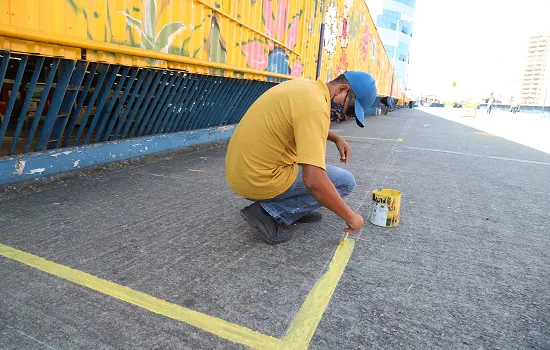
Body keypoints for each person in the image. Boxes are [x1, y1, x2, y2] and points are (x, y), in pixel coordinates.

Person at [225, 71, 377, 244]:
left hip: (240, 173)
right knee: (345, 182)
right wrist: (351, 217)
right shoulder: (317, 107)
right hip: (258, 179)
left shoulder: (307, 89)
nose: (347, 117)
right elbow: (313, 180)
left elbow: (300, 120)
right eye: (350, 109)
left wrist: (335, 137)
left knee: (318, 174)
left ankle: (296, 208)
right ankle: (270, 212)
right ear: (342, 89)